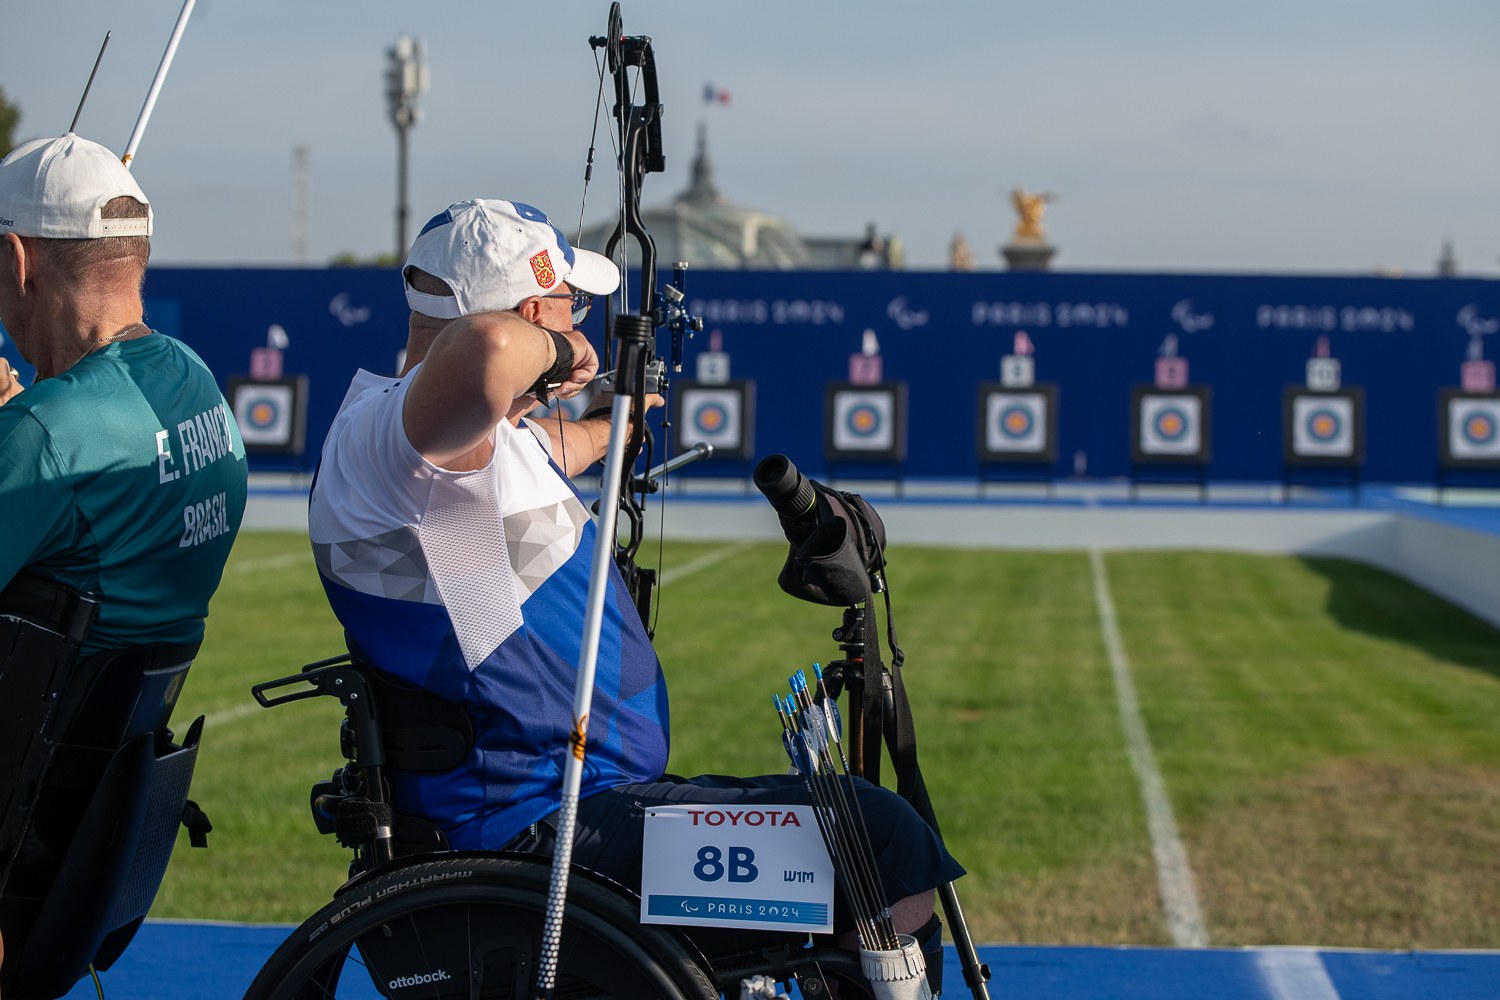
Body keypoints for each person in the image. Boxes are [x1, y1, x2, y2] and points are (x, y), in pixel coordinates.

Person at [308, 198, 961, 976]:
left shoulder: (458, 453)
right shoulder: (396, 444)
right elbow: (485, 351)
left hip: (580, 810)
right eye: (567, 303)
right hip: (542, 839)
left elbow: (545, 445)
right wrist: (563, 353)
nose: (581, 314)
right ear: (528, 311)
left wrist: (613, 419)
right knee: (879, 846)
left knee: (855, 835)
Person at [0, 133, 248, 988]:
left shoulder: (43, 433)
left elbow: (61, 447)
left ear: (16, 257)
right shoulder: (194, 383)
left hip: (22, 801)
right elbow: (97, 452)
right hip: (87, 800)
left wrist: (16, 427)